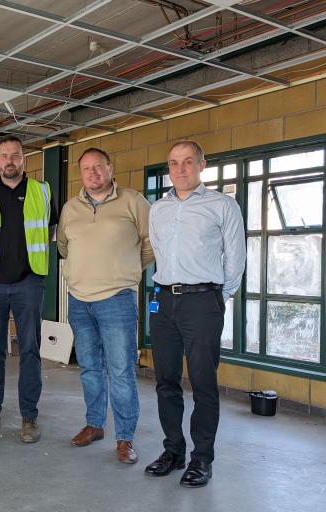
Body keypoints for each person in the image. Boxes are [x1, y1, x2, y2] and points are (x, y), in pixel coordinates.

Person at [146, 140, 245, 488]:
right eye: (174, 163)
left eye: (188, 162)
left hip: (202, 301)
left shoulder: (222, 205)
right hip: (164, 301)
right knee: (165, 381)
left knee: (203, 383)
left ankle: (202, 458)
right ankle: (173, 450)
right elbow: (158, 251)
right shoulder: (157, 209)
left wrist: (219, 296)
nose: (180, 169)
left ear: (202, 165)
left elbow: (236, 258)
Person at [57, 147, 154, 464]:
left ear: (110, 169)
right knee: (89, 369)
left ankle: (125, 438)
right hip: (79, 300)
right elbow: (63, 247)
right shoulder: (71, 208)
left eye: (99, 167)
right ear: (80, 173)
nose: (93, 172)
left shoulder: (133, 201)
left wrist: (125, 270)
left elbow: (152, 242)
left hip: (117, 299)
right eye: (86, 168)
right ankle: (94, 424)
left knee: (122, 371)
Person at [0, 135, 57, 443]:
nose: (10, 160)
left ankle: (29, 417)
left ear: (24, 160)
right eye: (4, 155)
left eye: (16, 155)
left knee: (30, 351)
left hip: (29, 282)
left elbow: (52, 232)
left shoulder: (42, 191)